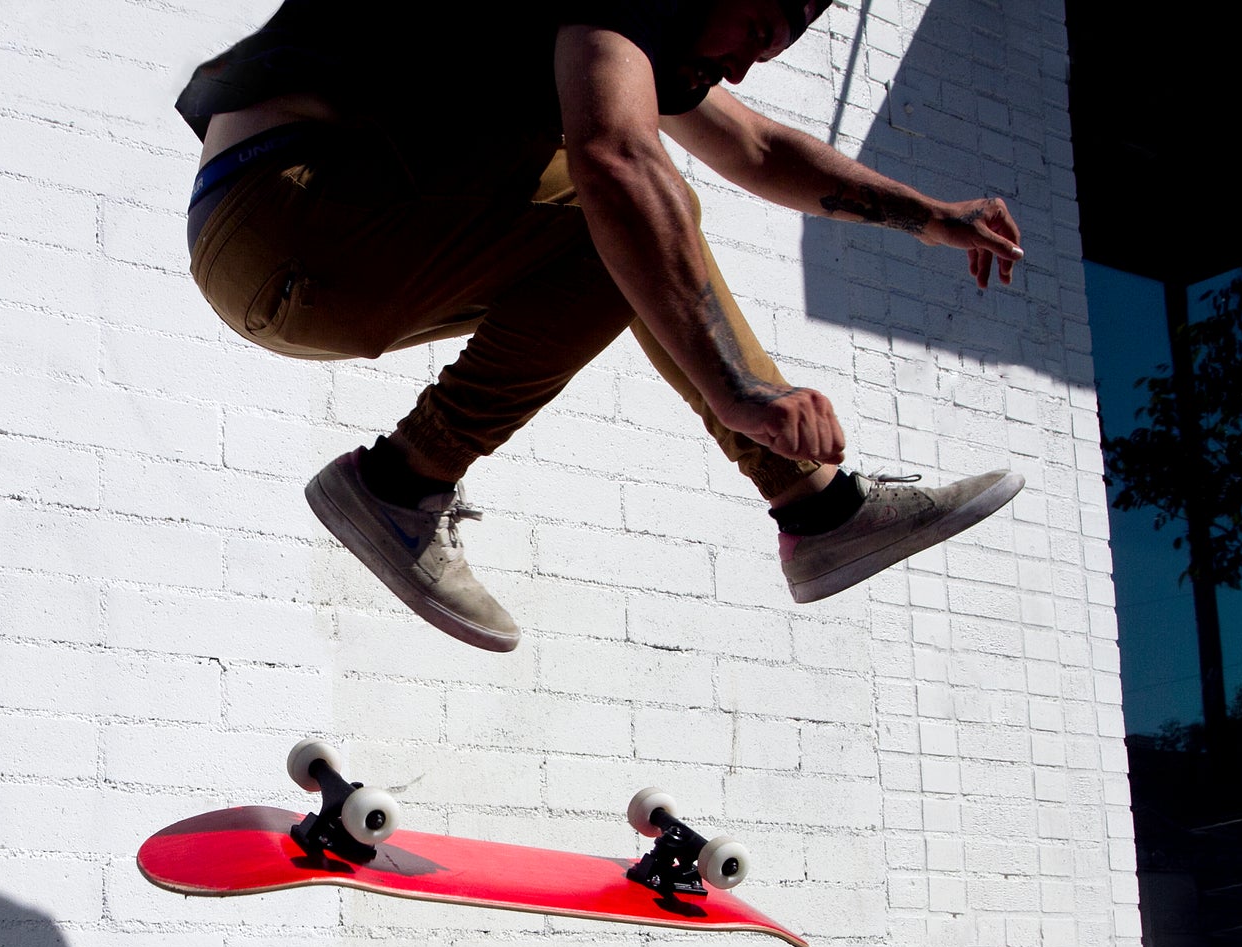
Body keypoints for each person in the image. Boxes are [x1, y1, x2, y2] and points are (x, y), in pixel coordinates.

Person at [176, 0, 1027, 652]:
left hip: (302, 255)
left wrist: (929, 217)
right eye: (757, 27)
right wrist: (740, 388)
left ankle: (818, 514)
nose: (744, 65)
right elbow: (617, 157)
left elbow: (756, 149)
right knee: (629, 209)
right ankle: (398, 486)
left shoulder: (618, 28)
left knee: (625, 240)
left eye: (775, 50)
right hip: (291, 202)